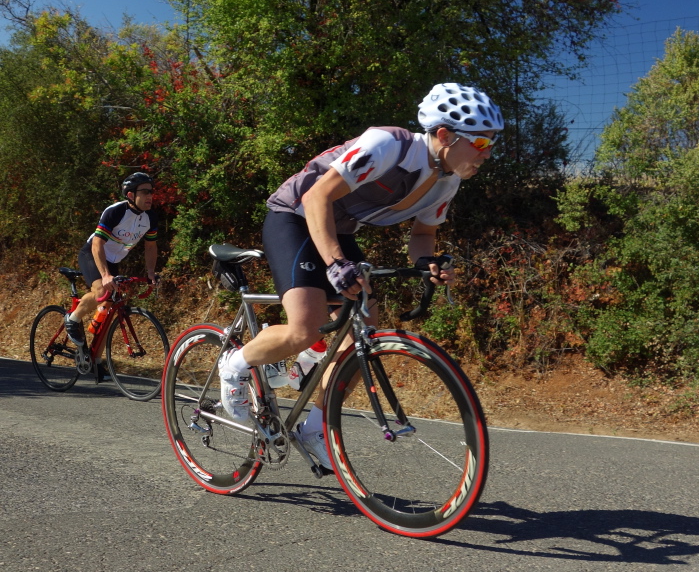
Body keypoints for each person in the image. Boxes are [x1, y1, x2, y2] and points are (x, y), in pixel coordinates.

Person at [217, 82, 504, 470]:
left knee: (364, 330)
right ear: (444, 135)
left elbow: (422, 236)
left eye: (492, 143)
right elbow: (316, 197)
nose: (489, 153)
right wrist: (335, 263)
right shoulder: (387, 145)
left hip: (341, 228)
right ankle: (236, 363)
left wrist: (428, 262)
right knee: (307, 325)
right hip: (296, 214)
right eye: (482, 143)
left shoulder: (447, 181)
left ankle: (315, 427)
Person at [64, 172, 160, 350]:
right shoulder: (116, 211)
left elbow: (150, 247)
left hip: (114, 260)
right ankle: (73, 319)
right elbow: (97, 243)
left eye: (151, 192)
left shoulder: (150, 217)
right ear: (131, 195)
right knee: (102, 291)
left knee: (108, 311)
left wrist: (150, 273)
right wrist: (105, 274)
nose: (150, 196)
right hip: (93, 254)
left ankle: (97, 361)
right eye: (145, 192)